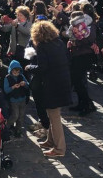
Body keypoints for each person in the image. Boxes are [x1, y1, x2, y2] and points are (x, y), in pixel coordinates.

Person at [28, 21, 72, 158]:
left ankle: (59, 148)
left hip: (52, 84)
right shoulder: (59, 42)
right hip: (62, 81)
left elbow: (42, 67)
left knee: (54, 117)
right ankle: (50, 141)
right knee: (53, 114)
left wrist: (29, 68)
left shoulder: (42, 46)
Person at [3, 60, 30, 137]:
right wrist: (13, 87)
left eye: (18, 71)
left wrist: (24, 84)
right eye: (14, 71)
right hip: (13, 100)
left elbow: (28, 85)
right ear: (11, 70)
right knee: (15, 115)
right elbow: (6, 90)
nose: (16, 72)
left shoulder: (21, 76)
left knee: (21, 116)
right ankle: (6, 127)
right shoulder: (7, 78)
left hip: (22, 99)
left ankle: (18, 130)